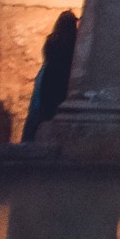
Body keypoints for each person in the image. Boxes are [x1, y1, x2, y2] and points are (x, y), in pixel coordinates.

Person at [23, 11, 76, 142]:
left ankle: (34, 139)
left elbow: (47, 58)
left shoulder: (51, 40)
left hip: (49, 77)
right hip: (64, 79)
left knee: (44, 111)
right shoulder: (74, 42)